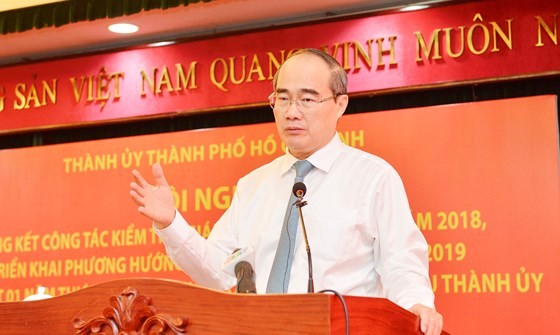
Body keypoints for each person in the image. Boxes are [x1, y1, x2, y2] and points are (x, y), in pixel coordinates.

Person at [130, 48, 443, 334]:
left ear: (340, 104)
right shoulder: (253, 186)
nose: (292, 112)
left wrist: (416, 306)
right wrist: (170, 223)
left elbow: (401, 263)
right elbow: (217, 273)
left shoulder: (373, 178)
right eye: (283, 99)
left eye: (307, 99)